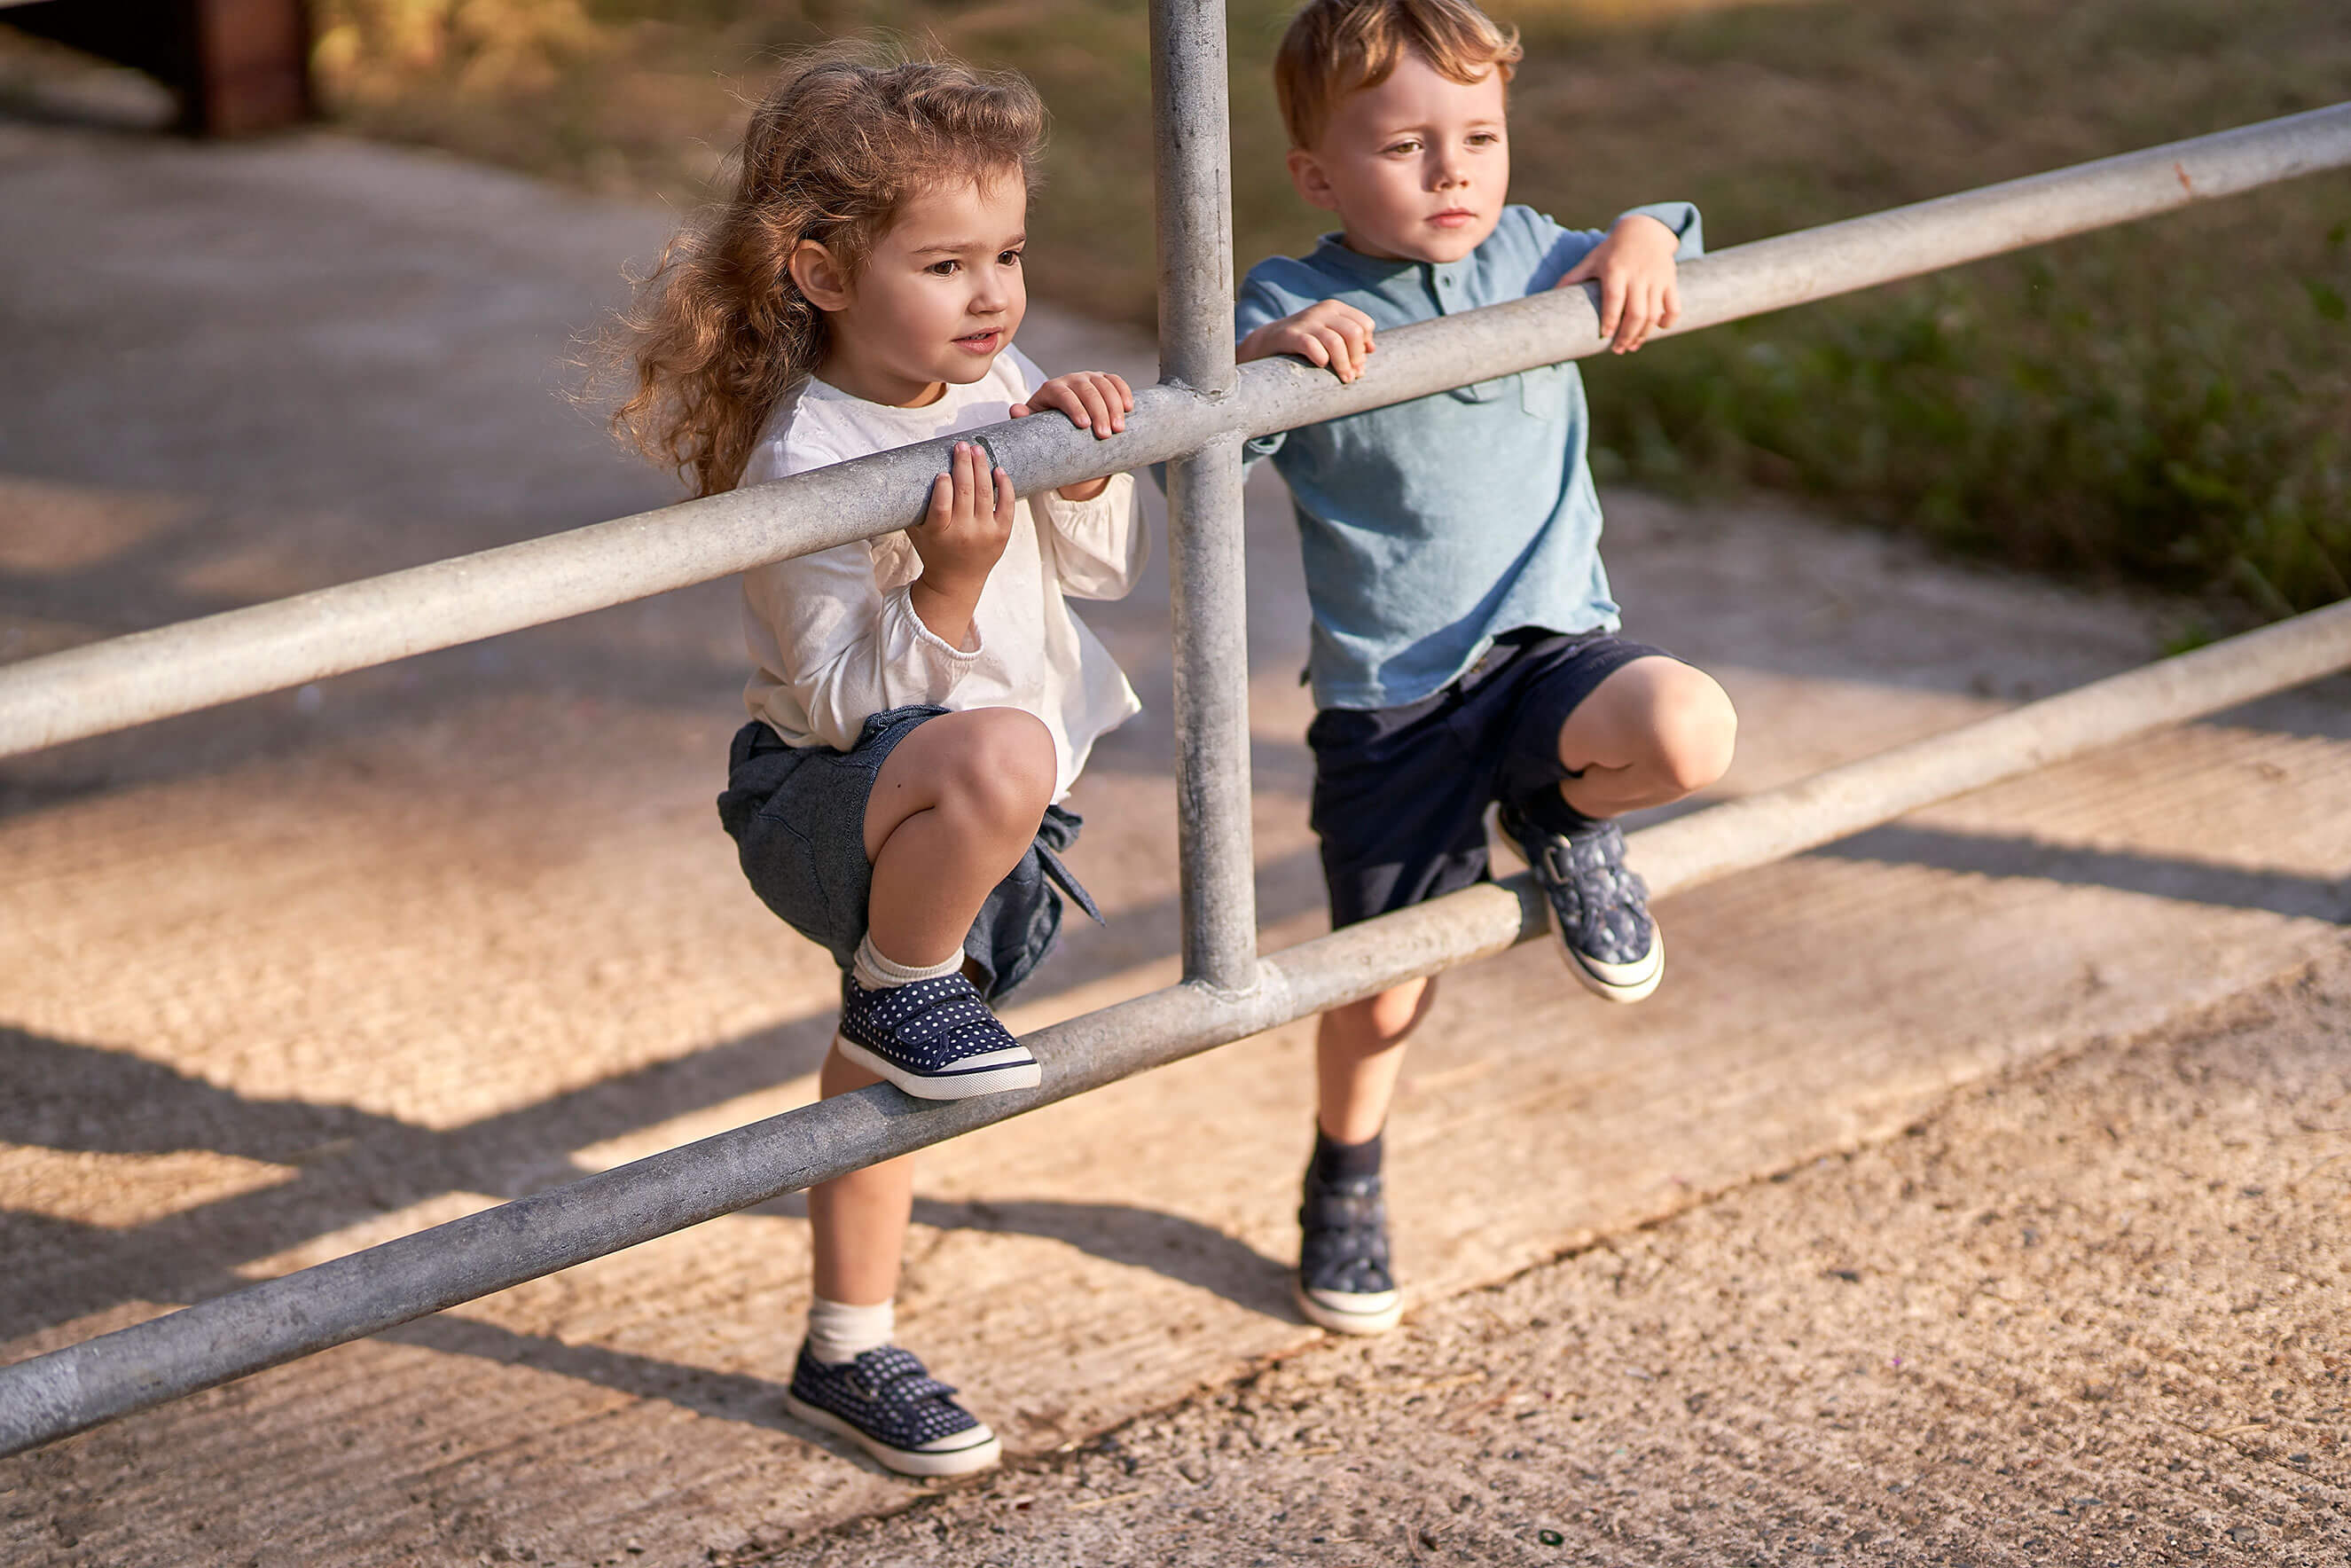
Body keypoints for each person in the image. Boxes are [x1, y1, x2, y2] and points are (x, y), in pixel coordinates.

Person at [607, 53, 1146, 1478]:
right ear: (825, 275)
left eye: (1011, 256)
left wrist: (1083, 467)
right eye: (948, 263)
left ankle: (845, 1343)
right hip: (832, 804)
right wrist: (949, 590)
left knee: (880, 1073)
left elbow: (1097, 574)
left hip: (987, 815)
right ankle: (905, 982)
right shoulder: (813, 458)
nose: (994, 297)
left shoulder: (1000, 379)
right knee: (994, 768)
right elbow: (843, 702)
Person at [1234, 0, 1739, 1337]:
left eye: (1480, 136)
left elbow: (1668, 233)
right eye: (1408, 146)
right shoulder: (1295, 298)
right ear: (1320, 175)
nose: (1454, 172)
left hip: (1553, 654)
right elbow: (1208, 446)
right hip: (1393, 701)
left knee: (1690, 728)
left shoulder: (1528, 250)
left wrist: (1640, 233)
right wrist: (1261, 369)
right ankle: (1347, 1168)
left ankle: (1563, 817)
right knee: (1386, 989)